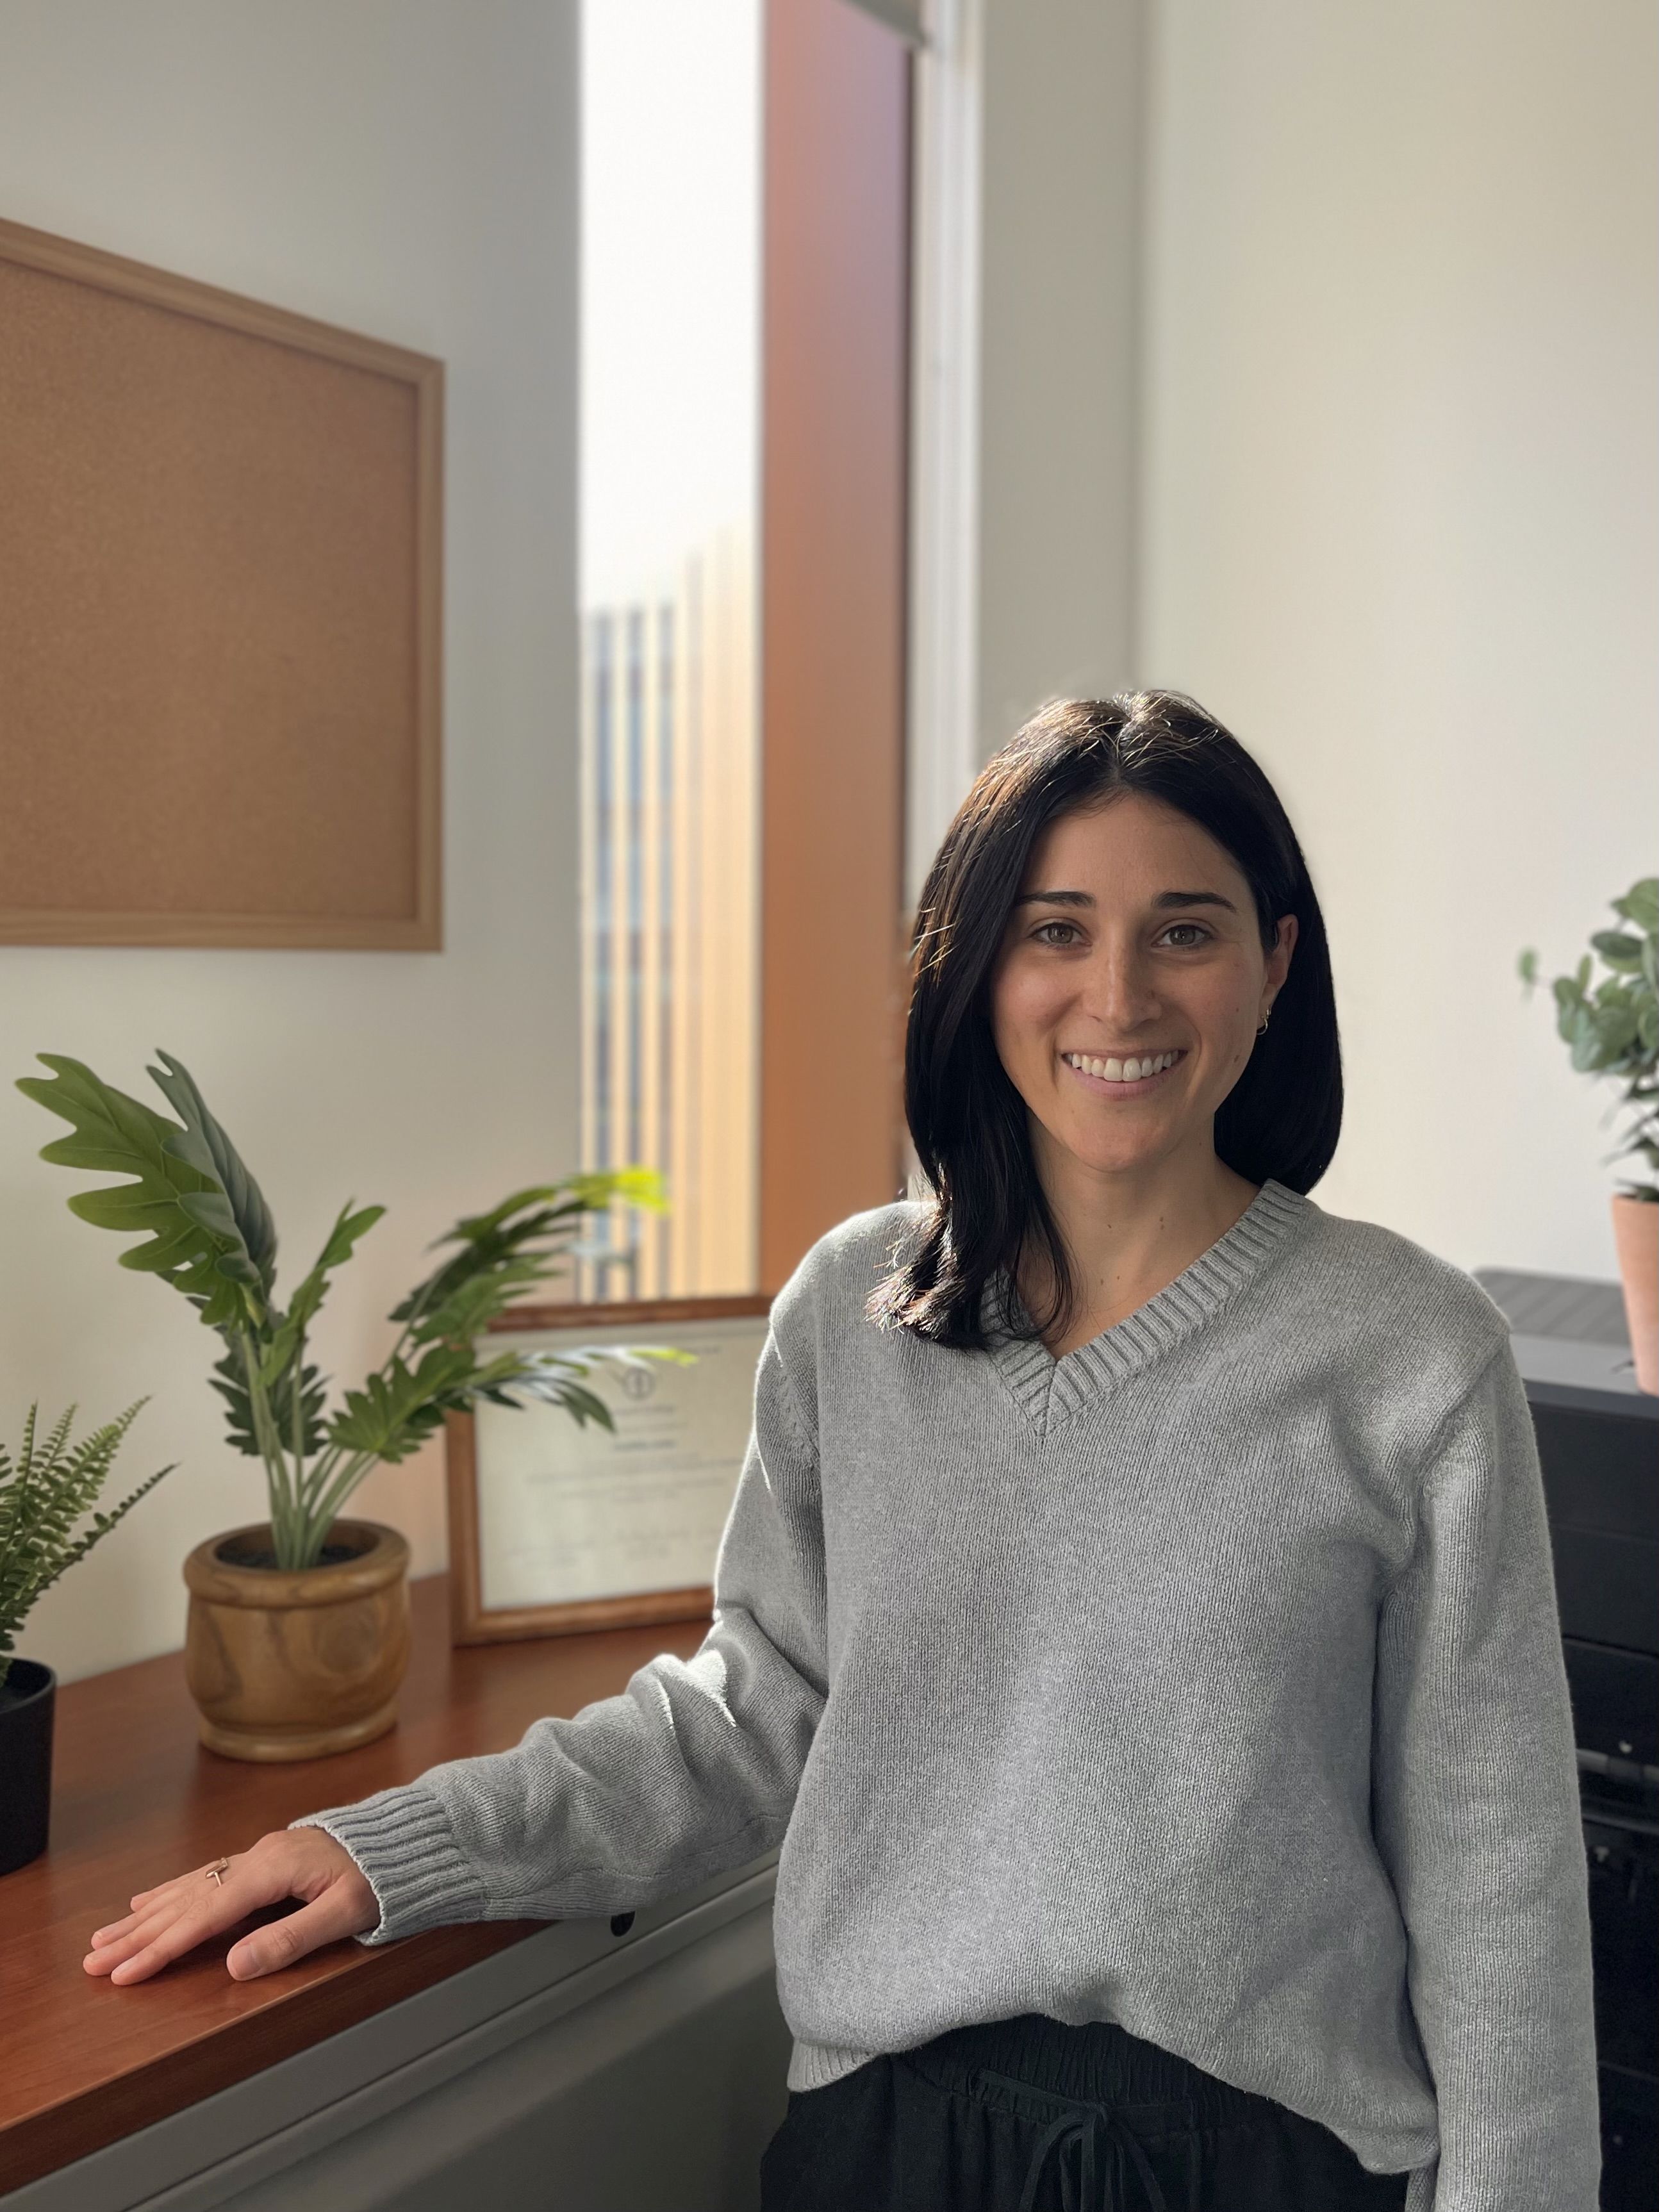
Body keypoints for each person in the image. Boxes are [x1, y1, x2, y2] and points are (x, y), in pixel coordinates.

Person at [83, 691, 1600, 2212]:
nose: (1117, 994)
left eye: (1184, 930)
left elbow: (1497, 1873)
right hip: (887, 2152)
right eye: (1053, 929)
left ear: (1273, 961)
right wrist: (402, 1847)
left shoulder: (1410, 1349)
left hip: (1261, 2162)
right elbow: (751, 1716)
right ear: (974, 963)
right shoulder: (849, 1311)